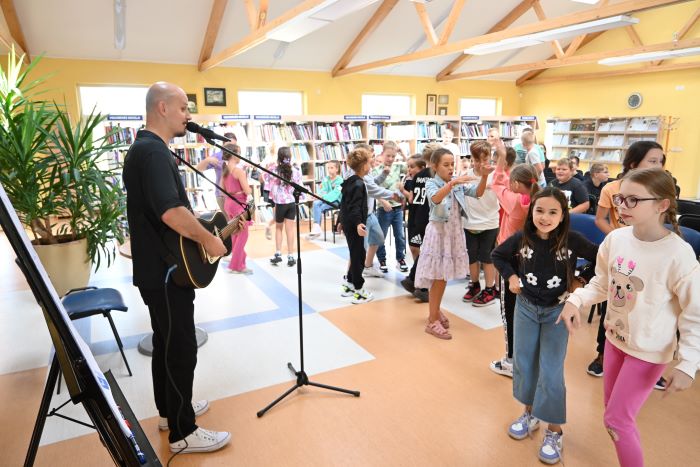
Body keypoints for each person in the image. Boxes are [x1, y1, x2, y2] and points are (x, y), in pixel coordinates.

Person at [558, 168, 700, 467]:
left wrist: (688, 363)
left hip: (648, 352)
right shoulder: (616, 239)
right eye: (620, 198)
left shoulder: (678, 254)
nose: (621, 206)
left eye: (633, 200)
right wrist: (576, 299)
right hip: (615, 341)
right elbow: (601, 283)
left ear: (662, 205)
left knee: (616, 420)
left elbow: (694, 313)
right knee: (613, 415)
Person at [122, 82, 232, 453]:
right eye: (184, 108)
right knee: (181, 346)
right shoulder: (153, 152)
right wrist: (208, 240)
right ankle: (183, 433)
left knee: (166, 342)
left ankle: (170, 412)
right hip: (166, 273)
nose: (188, 115)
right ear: (163, 108)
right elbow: (170, 212)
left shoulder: (146, 148)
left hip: (158, 270)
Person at [492, 187, 598, 465]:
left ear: (563, 215)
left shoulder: (572, 239)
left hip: (557, 312)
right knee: (525, 363)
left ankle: (554, 430)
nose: (545, 217)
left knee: (550, 371)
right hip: (526, 308)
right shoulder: (522, 237)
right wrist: (511, 277)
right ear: (532, 212)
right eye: (539, 210)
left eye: (553, 212)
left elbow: (601, 258)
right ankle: (530, 413)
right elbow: (498, 255)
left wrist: (580, 280)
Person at [587, 141, 671, 386]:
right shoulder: (612, 188)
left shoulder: (661, 188)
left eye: (660, 161)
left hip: (649, 254)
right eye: (652, 161)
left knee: (648, 306)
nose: (658, 166)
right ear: (634, 164)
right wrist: (620, 237)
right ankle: (603, 353)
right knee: (613, 304)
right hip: (621, 256)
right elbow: (600, 219)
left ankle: (648, 362)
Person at [415, 148, 492, 340]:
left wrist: (484, 177)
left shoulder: (456, 182)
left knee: (443, 277)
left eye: (452, 164)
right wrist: (452, 184)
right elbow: (435, 198)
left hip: (454, 234)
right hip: (439, 234)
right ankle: (432, 319)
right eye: (446, 165)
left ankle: (435, 311)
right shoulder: (432, 183)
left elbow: (478, 193)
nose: (451, 168)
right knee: (439, 277)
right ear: (435, 166)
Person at [488, 144, 541, 378]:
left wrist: (501, 159)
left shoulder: (516, 201)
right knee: (527, 310)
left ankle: (511, 360)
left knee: (508, 311)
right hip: (531, 259)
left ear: (517, 184)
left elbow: (496, 183)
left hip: (509, 261)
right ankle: (527, 357)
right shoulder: (539, 199)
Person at [401, 143, 441, 302]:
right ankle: (421, 286)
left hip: (416, 216)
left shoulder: (418, 176)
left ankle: (413, 279)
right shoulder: (435, 176)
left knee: (426, 251)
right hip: (430, 217)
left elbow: (412, 198)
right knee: (430, 253)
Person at [461, 141, 500, 307]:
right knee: (472, 257)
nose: (481, 163)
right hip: (470, 223)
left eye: (485, 159)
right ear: (471, 158)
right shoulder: (466, 175)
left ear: (490, 157)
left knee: (487, 257)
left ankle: (490, 289)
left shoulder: (496, 175)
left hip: (490, 223)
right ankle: (475, 284)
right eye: (477, 160)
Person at [340, 147, 374, 304]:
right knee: (358, 255)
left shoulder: (350, 180)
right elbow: (354, 207)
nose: (371, 165)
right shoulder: (359, 184)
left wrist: (340, 221)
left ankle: (350, 284)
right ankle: (359, 290)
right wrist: (359, 224)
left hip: (348, 222)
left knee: (355, 253)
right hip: (355, 225)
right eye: (369, 163)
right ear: (363, 165)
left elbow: (343, 204)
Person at [374, 141, 408, 273]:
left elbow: (411, 165)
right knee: (381, 236)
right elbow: (373, 189)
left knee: (399, 236)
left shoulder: (398, 167)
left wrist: (402, 153)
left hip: (398, 208)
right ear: (382, 154)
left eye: (393, 156)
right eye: (388, 155)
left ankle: (401, 259)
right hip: (384, 209)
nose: (390, 159)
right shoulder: (376, 170)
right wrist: (383, 201)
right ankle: (382, 259)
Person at [266, 146, 302, 267]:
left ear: (278, 157)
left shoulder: (274, 170)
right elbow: (299, 185)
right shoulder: (296, 170)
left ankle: (278, 254)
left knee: (278, 228)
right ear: (290, 157)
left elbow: (266, 181)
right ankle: (291, 256)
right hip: (291, 203)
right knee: (290, 230)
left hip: (280, 204)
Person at [221, 143, 253, 274]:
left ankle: (240, 262)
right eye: (238, 153)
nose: (240, 156)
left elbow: (222, 190)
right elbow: (247, 190)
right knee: (243, 234)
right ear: (233, 155)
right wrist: (249, 189)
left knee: (235, 233)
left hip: (229, 203)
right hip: (239, 204)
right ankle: (236, 266)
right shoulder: (239, 171)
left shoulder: (225, 171)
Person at [195, 131, 237, 219]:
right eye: (229, 145)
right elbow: (198, 168)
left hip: (237, 194)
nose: (232, 148)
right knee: (230, 220)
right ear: (223, 144)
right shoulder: (218, 156)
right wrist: (208, 160)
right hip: (222, 194)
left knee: (238, 220)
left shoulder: (237, 156)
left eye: (234, 145)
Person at [399, 154, 427, 261]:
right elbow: (407, 201)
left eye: (412, 167)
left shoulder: (425, 181)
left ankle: (419, 267)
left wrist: (403, 191)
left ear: (422, 169)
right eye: (408, 166)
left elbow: (412, 198)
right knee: (413, 247)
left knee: (416, 246)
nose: (409, 169)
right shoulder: (409, 181)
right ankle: (417, 267)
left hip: (422, 217)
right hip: (412, 216)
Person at [308, 160, 342, 238]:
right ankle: (317, 227)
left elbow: (335, 194)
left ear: (337, 169)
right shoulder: (326, 179)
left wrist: (322, 197)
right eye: (328, 168)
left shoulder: (340, 181)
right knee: (316, 203)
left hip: (336, 201)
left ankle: (316, 228)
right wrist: (318, 196)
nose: (329, 170)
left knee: (320, 207)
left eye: (331, 168)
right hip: (325, 200)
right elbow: (322, 190)